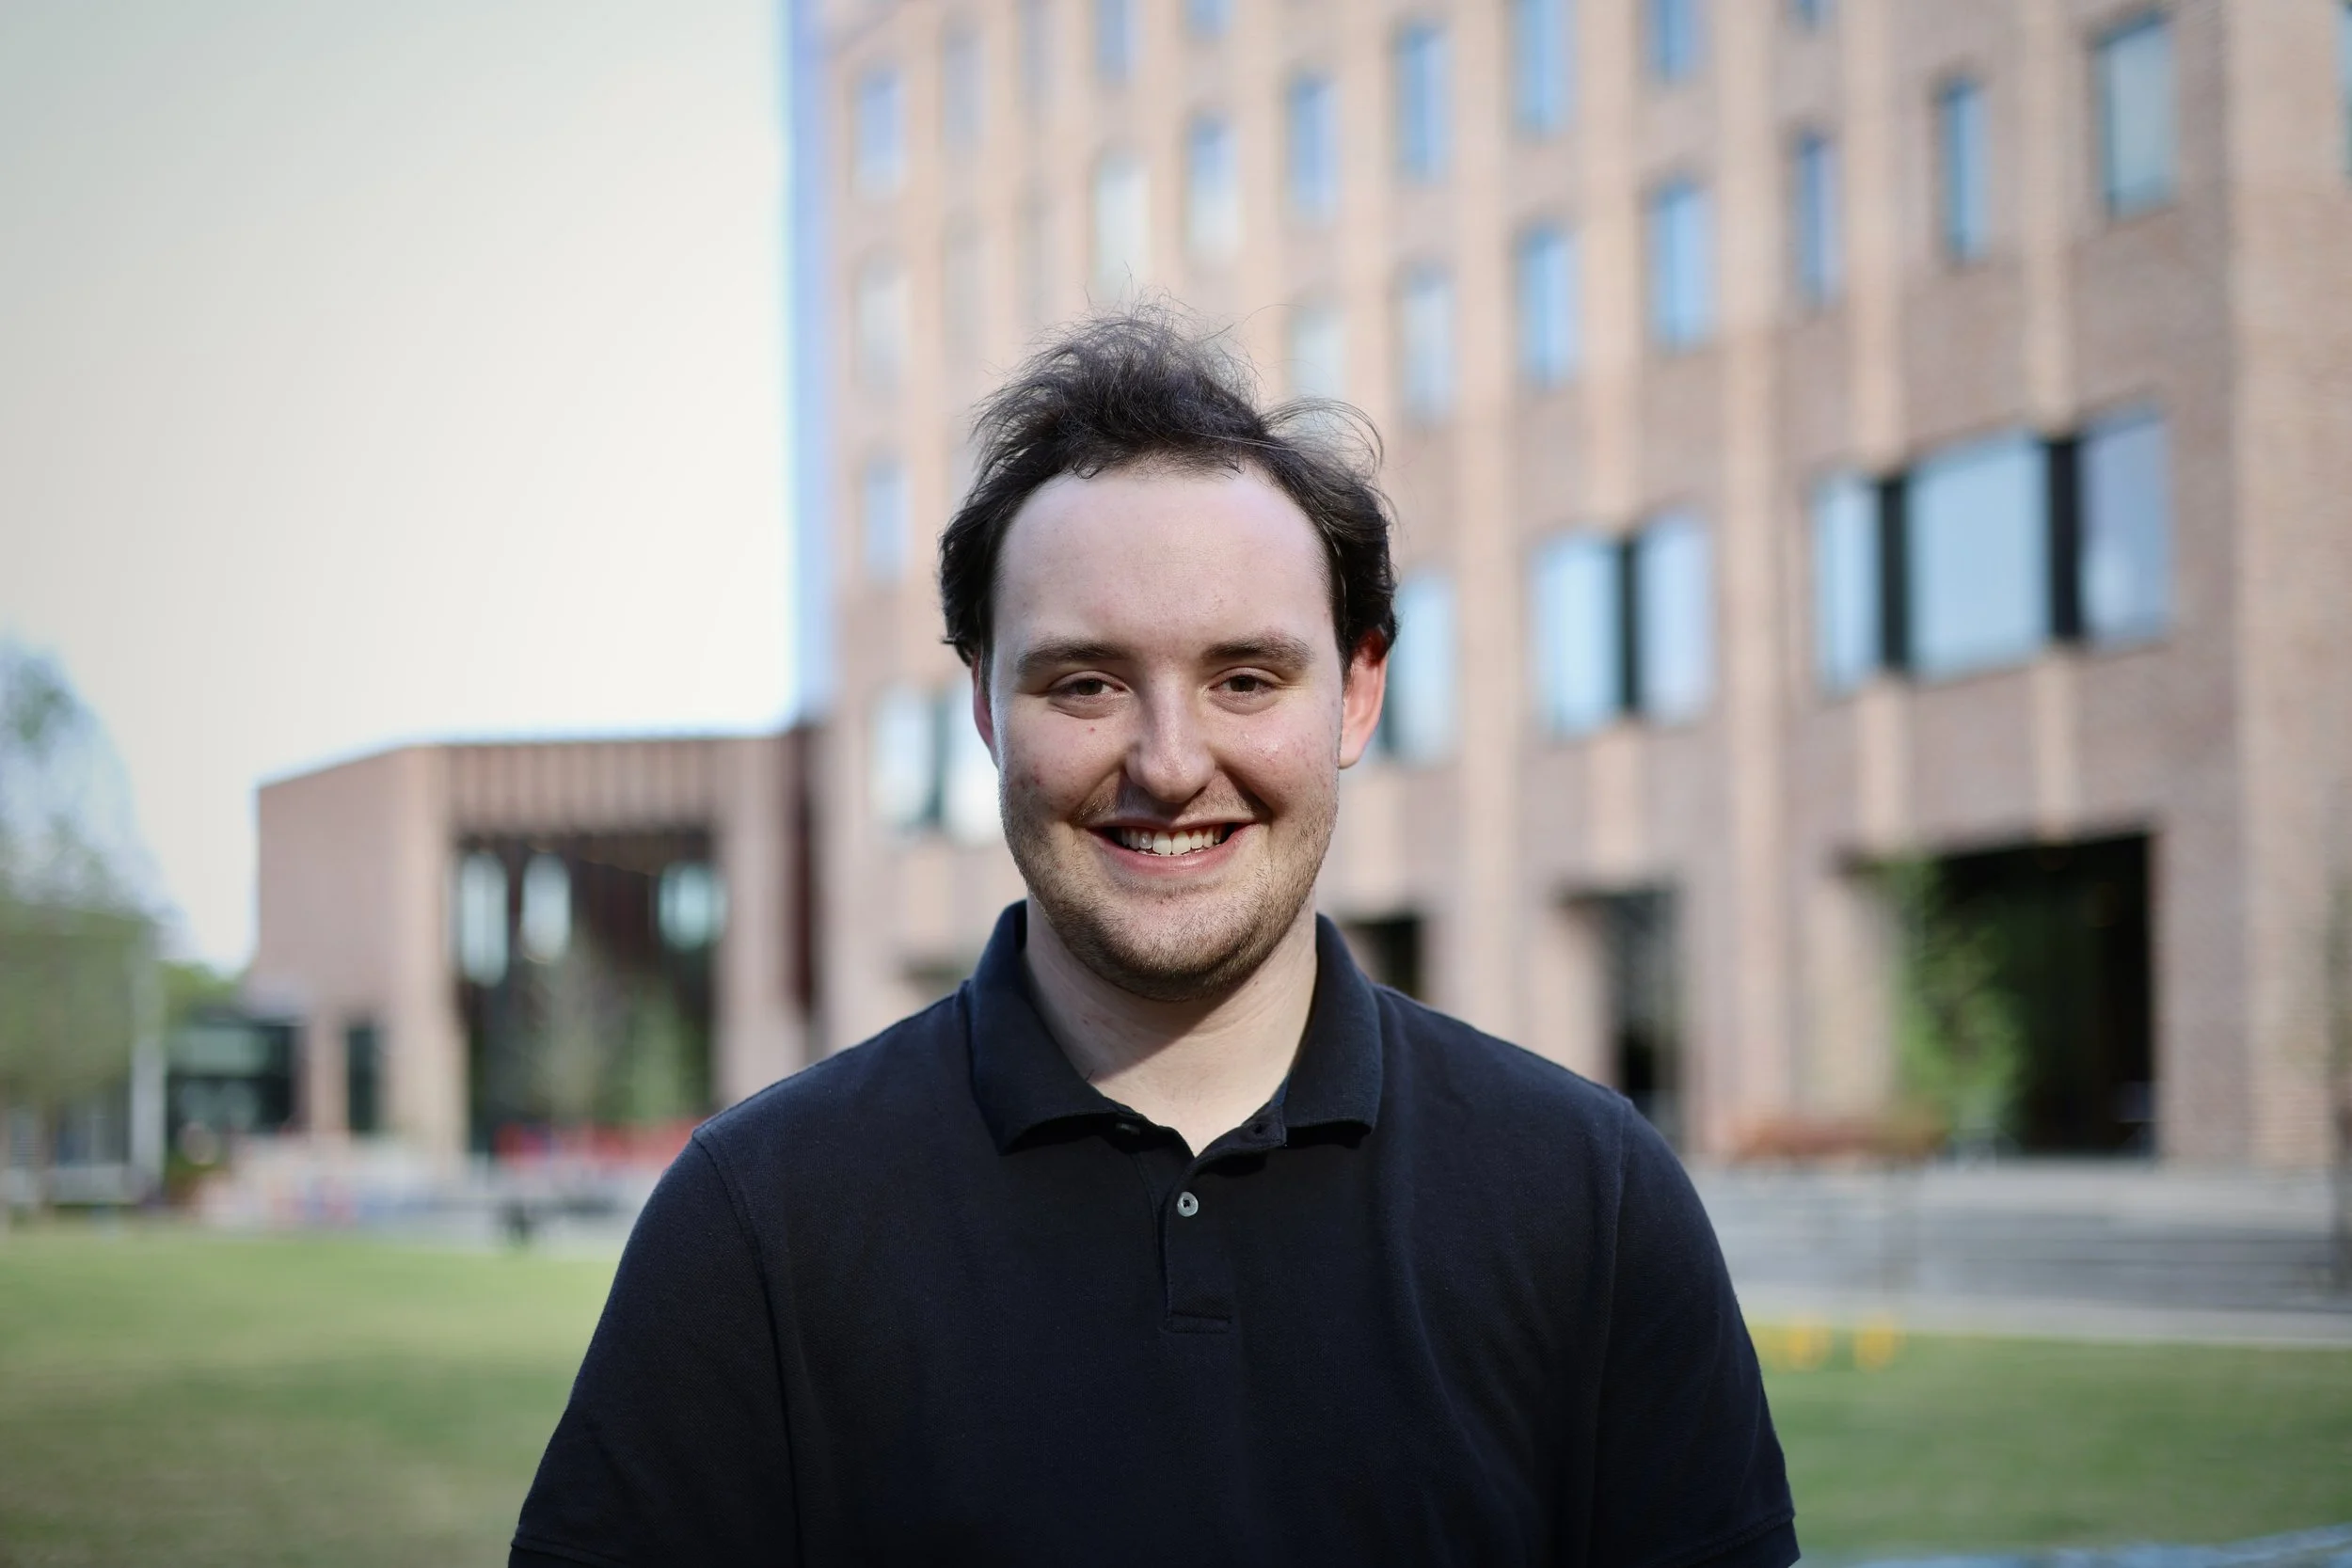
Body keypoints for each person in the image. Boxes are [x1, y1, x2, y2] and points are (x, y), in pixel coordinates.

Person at [511, 312, 1797, 1568]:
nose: (1171, 765)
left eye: (1246, 679)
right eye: (1086, 683)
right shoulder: (756, 1223)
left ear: (1358, 691)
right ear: (984, 706)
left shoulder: (1593, 1200)